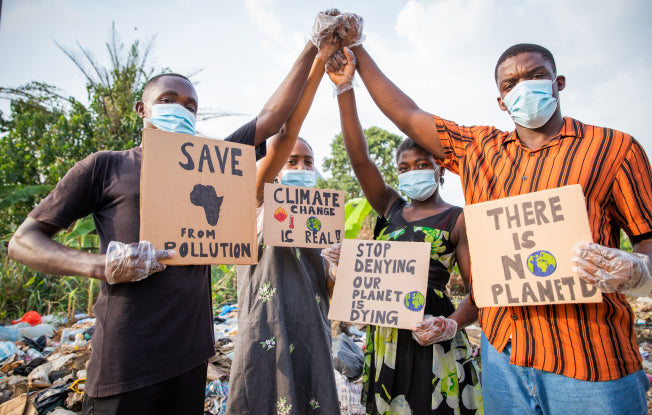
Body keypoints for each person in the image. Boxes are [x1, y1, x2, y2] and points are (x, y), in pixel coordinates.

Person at [7, 18, 343, 414]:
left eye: (190, 106)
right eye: (168, 101)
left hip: (190, 358)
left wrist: (312, 47)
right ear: (142, 109)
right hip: (125, 357)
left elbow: (272, 121)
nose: (180, 110)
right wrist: (102, 264)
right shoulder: (105, 166)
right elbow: (23, 242)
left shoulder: (212, 164)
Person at [346, 38, 652, 414]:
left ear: (558, 83)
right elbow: (407, 113)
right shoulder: (479, 151)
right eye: (510, 84)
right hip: (504, 359)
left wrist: (636, 270)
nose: (524, 87)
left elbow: (647, 241)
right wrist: (355, 51)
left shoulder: (615, 149)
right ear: (501, 100)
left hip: (589, 359)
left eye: (536, 75)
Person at [325, 46, 482, 414]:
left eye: (422, 163)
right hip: (386, 340)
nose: (414, 171)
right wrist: (344, 90)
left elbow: (478, 296)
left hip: (432, 336)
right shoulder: (391, 208)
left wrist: (450, 325)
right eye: (405, 167)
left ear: (440, 168)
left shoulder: (457, 219)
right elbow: (359, 158)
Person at [226, 32, 342, 414]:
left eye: (308, 162)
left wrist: (339, 269)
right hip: (263, 332)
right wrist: (318, 61)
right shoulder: (254, 199)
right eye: (292, 161)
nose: (301, 168)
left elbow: (327, 285)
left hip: (312, 334)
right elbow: (282, 136)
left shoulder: (321, 217)